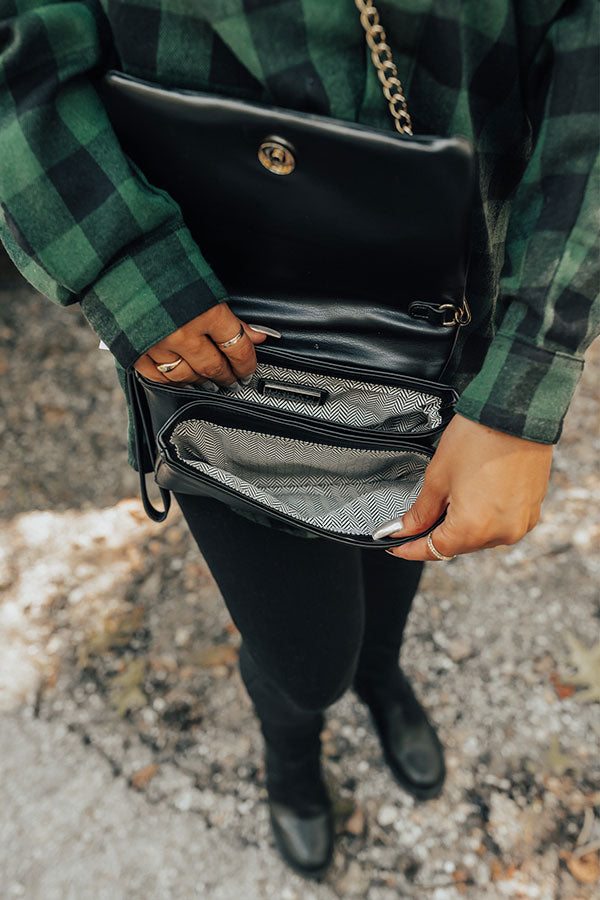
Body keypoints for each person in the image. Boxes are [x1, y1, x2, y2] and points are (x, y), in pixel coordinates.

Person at [1, 0, 598, 880]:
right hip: (213, 343)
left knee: (398, 548)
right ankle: (297, 736)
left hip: (435, 323)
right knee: (305, 655)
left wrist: (524, 379)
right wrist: (129, 270)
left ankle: (380, 675)